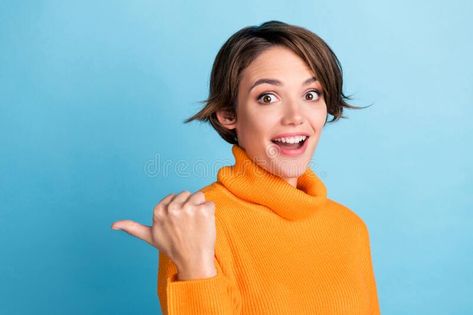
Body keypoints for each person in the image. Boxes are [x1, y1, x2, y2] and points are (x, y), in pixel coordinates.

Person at [112, 20, 380, 314]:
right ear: (229, 114)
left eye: (311, 94)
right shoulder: (197, 225)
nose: (295, 116)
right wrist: (195, 266)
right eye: (268, 97)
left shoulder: (349, 229)